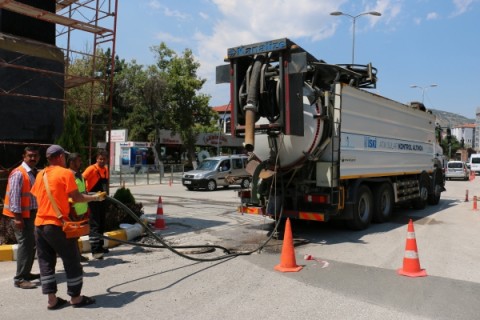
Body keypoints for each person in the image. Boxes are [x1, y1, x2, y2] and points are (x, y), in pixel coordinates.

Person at [31, 145, 106, 310]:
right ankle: (76, 298)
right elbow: (77, 197)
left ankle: (52, 300)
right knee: (72, 260)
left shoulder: (40, 174)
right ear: (59, 157)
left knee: (46, 262)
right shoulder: (65, 173)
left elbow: (43, 196)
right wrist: (95, 198)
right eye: (64, 156)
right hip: (56, 225)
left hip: (39, 225)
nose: (66, 159)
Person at [2, 146, 40, 289]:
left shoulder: (32, 173)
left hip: (30, 215)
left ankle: (26, 273)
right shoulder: (18, 173)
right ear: (24, 156)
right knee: (25, 246)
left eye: (35, 155)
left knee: (31, 245)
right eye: (30, 155)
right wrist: (18, 218)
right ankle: (20, 278)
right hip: (21, 216)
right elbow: (14, 198)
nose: (33, 158)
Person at [82, 149, 109, 259]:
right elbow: (82, 178)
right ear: (96, 159)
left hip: (102, 200)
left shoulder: (106, 170)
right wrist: (84, 193)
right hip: (93, 200)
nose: (102, 161)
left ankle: (101, 246)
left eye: (104, 159)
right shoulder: (91, 169)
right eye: (100, 159)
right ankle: (95, 250)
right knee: (95, 224)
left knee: (102, 223)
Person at [67, 153, 90, 262]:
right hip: (73, 210)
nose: (80, 163)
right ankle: (74, 258)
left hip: (81, 209)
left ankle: (77, 256)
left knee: (76, 235)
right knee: (72, 236)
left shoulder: (79, 174)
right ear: (71, 162)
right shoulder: (68, 175)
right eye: (78, 161)